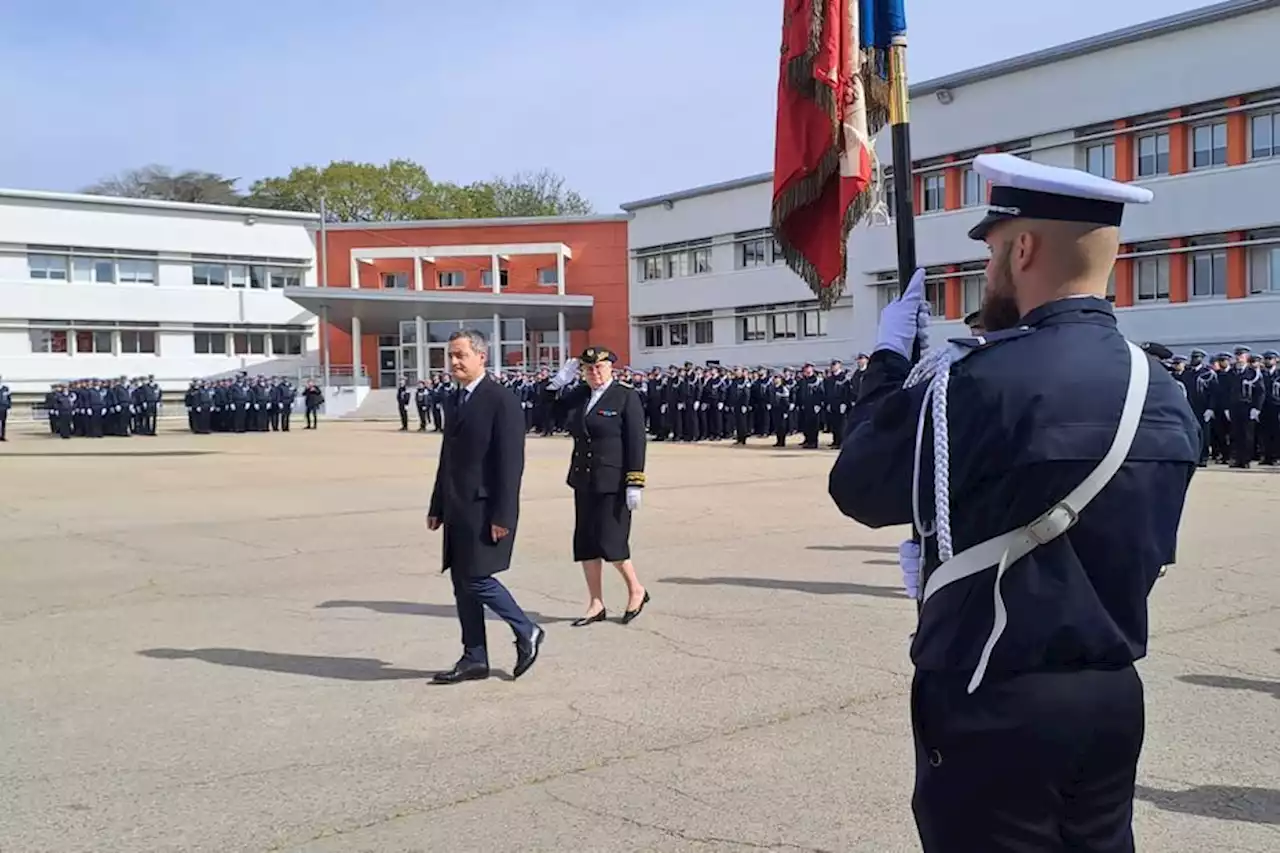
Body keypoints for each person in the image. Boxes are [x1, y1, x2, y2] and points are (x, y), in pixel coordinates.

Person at [828, 153, 1200, 853]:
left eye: (994, 252)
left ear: (1023, 248)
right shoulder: (1163, 389)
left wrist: (886, 366)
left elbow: (858, 482)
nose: (990, 271)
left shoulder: (975, 381)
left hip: (995, 693)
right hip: (1111, 694)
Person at [427, 329, 544, 683]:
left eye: (461, 355)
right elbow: (447, 457)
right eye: (450, 355)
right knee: (462, 583)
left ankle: (527, 630)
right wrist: (437, 504)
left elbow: (510, 464)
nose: (454, 362)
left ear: (481, 357)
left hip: (485, 509)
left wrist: (503, 515)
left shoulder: (500, 400)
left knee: (477, 578)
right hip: (458, 507)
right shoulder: (457, 398)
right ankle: (474, 657)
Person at [545, 347, 649, 626]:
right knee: (586, 542)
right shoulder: (580, 396)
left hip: (613, 482)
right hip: (584, 478)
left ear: (610, 368)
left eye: (600, 368)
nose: (595, 373)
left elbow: (636, 441)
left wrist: (634, 482)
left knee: (611, 541)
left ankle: (636, 589)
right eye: (589, 369)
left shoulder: (626, 396)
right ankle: (596, 603)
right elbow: (547, 413)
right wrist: (555, 385)